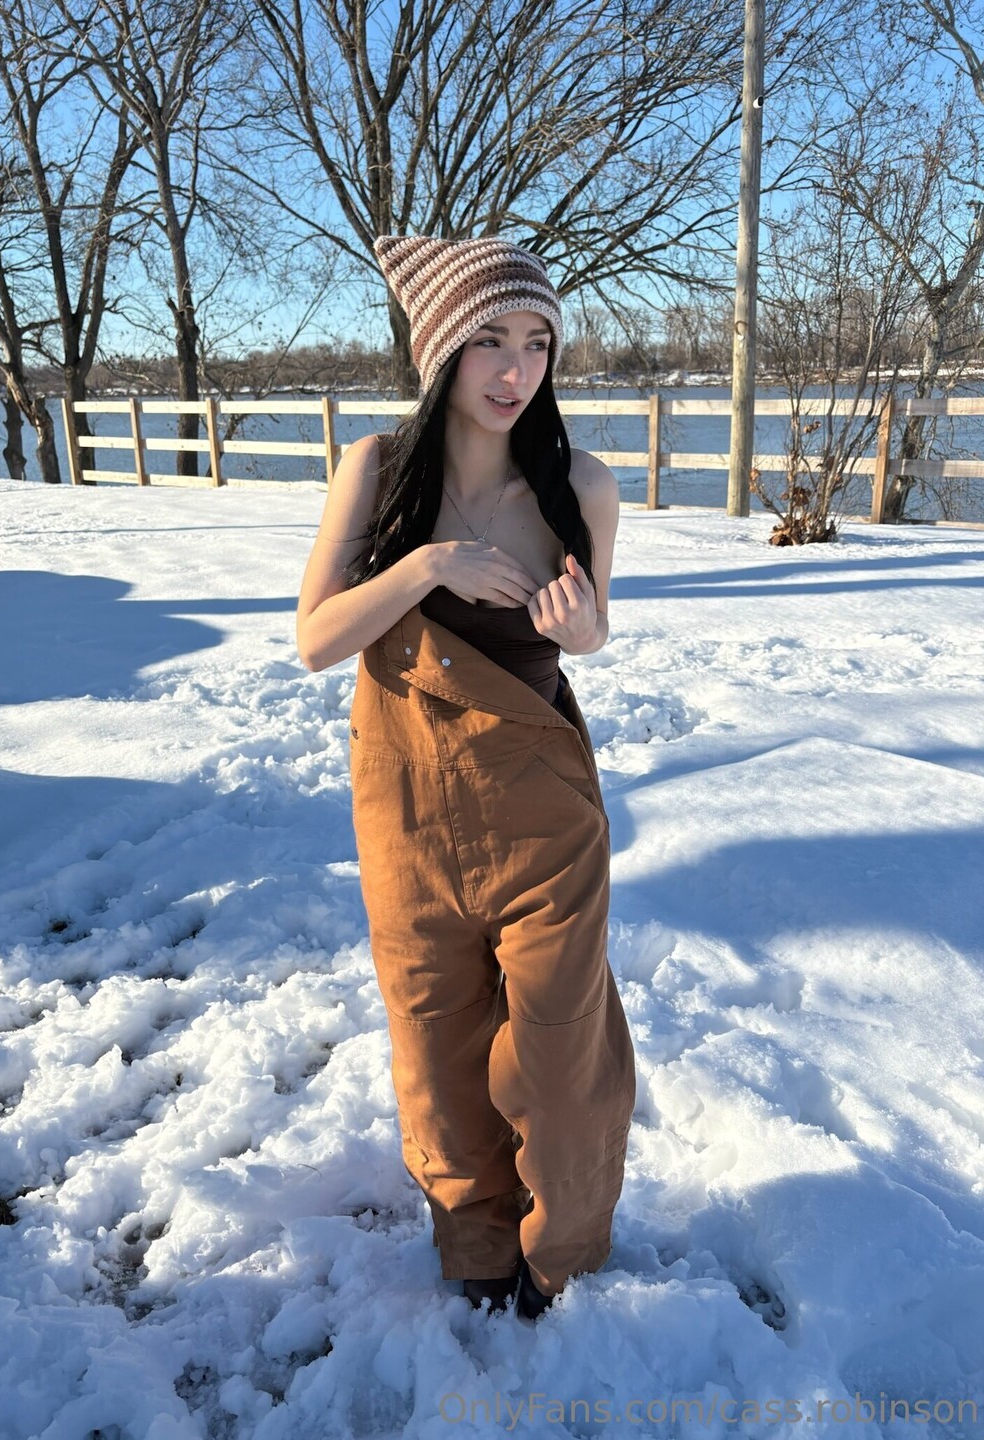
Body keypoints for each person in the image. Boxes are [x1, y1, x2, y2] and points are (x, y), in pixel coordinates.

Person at [297, 235, 636, 1322]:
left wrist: (582, 631)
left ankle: (565, 1252)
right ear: (440, 350)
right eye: (490, 339)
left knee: (561, 1058)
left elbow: (591, 634)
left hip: (543, 813)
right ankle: (477, 1248)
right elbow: (315, 639)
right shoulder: (377, 471)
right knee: (437, 1048)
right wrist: (426, 566)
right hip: (408, 808)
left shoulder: (581, 485)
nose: (516, 369)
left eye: (537, 342)